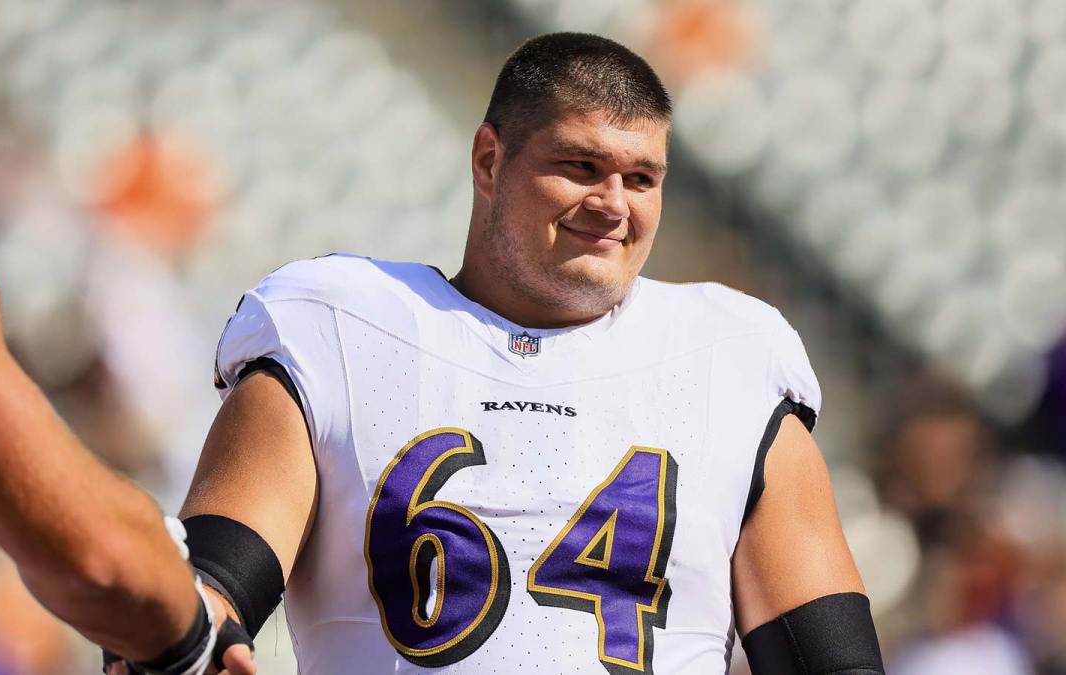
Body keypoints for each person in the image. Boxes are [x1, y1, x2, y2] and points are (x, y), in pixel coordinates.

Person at [180, 32, 885, 674]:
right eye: (581, 166)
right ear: (490, 159)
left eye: (641, 178)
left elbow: (832, 660)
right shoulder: (336, 324)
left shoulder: (732, 355)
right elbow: (211, 583)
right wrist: (191, 623)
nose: (614, 204)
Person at [0, 73, 252, 674]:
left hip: (51, 475)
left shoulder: (145, 304)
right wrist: (194, 633)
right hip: (31, 488)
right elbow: (99, 561)